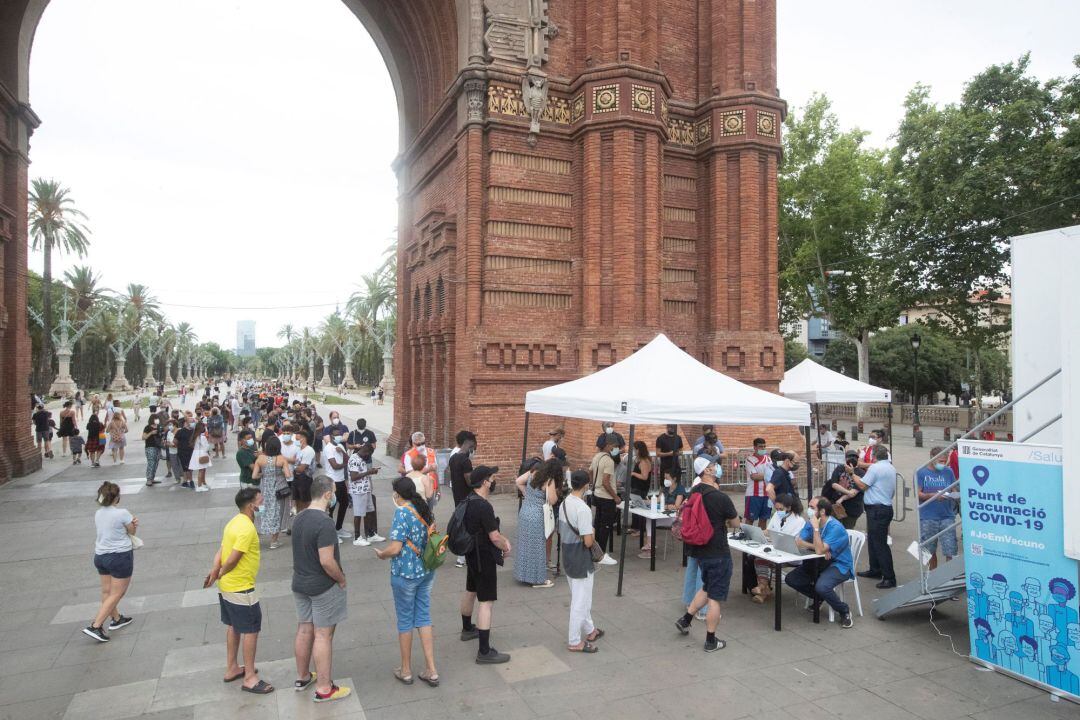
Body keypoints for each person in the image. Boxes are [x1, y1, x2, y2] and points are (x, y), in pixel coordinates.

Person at [203, 487, 273, 694]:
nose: (263, 503)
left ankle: (232, 667)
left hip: (226, 587)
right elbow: (233, 557)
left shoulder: (234, 522)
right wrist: (222, 571)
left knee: (233, 626)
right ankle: (250, 677)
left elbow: (221, 550)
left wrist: (215, 572)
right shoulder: (246, 528)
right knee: (251, 630)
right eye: (260, 500)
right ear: (251, 505)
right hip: (241, 588)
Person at [290, 476, 351, 703]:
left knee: (305, 629)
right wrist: (341, 578)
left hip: (300, 582)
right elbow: (327, 561)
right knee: (323, 634)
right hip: (322, 586)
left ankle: (303, 676)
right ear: (327, 494)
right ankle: (325, 687)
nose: (335, 495)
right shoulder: (324, 523)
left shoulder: (300, 516)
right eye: (334, 491)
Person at [374, 476, 440, 687]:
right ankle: (431, 669)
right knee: (423, 616)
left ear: (398, 494)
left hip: (406, 573)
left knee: (405, 620)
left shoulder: (402, 512)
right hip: (426, 571)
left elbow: (395, 548)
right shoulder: (423, 508)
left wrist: (382, 554)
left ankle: (406, 670)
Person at [673, 457, 740, 652]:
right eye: (714, 466)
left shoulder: (694, 492)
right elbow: (735, 523)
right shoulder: (720, 498)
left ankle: (686, 619)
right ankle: (711, 640)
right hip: (717, 550)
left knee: (707, 585)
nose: (717, 468)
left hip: (699, 550)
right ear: (709, 471)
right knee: (715, 598)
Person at [459, 465, 513, 664]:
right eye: (491, 478)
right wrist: (505, 547)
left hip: (472, 555)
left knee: (470, 590)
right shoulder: (483, 506)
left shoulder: (467, 500)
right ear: (484, 482)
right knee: (486, 602)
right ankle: (484, 650)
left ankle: (467, 628)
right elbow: (494, 536)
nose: (493, 481)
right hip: (484, 557)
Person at [785, 496, 855, 628]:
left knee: (822, 586)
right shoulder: (810, 522)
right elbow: (799, 542)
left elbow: (818, 549)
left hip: (839, 564)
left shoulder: (835, 527)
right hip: (820, 561)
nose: (808, 510)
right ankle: (821, 597)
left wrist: (816, 532)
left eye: (812, 508)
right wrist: (819, 547)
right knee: (791, 579)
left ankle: (844, 610)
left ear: (822, 511)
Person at [84, 482, 137, 643]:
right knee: (117, 593)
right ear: (117, 497)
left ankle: (116, 618)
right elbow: (132, 531)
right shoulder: (122, 513)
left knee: (107, 591)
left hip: (100, 556)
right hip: (120, 556)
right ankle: (96, 625)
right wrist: (134, 524)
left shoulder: (98, 513)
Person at [560, 469, 604, 653]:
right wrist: (592, 531)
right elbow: (588, 541)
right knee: (581, 600)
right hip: (580, 557)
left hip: (567, 554)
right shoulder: (583, 508)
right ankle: (574, 640)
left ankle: (590, 630)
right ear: (586, 485)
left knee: (581, 595)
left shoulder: (564, 503)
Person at [853, 445, 897, 588]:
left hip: (877, 509)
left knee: (879, 543)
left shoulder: (875, 468)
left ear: (874, 456)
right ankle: (875, 569)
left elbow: (863, 485)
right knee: (873, 540)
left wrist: (852, 473)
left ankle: (889, 577)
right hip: (883, 507)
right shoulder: (890, 468)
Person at [752, 494, 806, 603]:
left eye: (781, 509)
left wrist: (775, 539)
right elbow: (769, 531)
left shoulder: (799, 521)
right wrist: (757, 533)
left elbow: (795, 542)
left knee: (767, 561)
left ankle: (763, 589)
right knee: (758, 558)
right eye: (776, 509)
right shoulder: (777, 515)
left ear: (789, 507)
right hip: (777, 549)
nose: (778, 511)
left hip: (791, 555)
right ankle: (764, 588)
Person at [514, 459, 559, 588]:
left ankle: (523, 575)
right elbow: (553, 500)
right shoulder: (549, 480)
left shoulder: (532, 472)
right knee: (538, 547)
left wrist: (526, 493)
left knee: (525, 545)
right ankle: (538, 579)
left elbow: (518, 481)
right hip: (537, 515)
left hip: (525, 512)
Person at [915, 446, 958, 571]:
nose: (943, 464)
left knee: (950, 549)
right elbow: (917, 494)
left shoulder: (948, 472)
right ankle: (932, 575)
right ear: (932, 458)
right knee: (929, 550)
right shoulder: (921, 472)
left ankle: (950, 575)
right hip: (928, 517)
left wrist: (951, 496)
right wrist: (931, 496)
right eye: (940, 461)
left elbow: (954, 491)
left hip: (947, 516)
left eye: (945, 461)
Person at [253, 435, 293, 548]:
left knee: (264, 510)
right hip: (279, 489)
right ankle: (274, 541)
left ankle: (261, 531)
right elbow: (288, 475)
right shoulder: (281, 459)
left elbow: (254, 475)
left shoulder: (260, 459)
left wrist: (264, 474)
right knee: (278, 512)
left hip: (265, 489)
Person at [588, 435, 621, 565]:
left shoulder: (597, 456)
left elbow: (590, 471)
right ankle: (601, 554)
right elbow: (606, 482)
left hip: (597, 494)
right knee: (605, 526)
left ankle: (595, 550)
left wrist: (593, 484)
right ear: (608, 445)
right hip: (607, 498)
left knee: (597, 524)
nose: (616, 449)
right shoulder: (609, 461)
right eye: (615, 446)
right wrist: (616, 497)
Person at [447, 431, 476, 567]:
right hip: (467, 497)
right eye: (473, 446)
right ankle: (464, 555)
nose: (474, 449)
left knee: (462, 524)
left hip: (457, 496)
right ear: (468, 443)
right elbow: (469, 481)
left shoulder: (453, 458)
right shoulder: (465, 461)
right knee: (468, 526)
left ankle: (461, 557)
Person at [347, 441, 383, 546]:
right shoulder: (354, 459)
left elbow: (360, 472)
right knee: (358, 514)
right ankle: (357, 537)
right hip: (358, 491)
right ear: (366, 452)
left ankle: (370, 535)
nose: (369, 457)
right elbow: (354, 477)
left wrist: (370, 471)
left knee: (369, 511)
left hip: (365, 489)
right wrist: (369, 472)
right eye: (369, 455)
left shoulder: (361, 458)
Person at [822, 451, 864, 530]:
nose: (852, 459)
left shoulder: (861, 473)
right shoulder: (839, 468)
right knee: (833, 528)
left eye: (855, 457)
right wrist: (848, 492)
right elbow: (834, 484)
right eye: (850, 457)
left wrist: (842, 498)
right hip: (836, 505)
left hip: (853, 507)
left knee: (848, 530)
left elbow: (855, 491)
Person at [324, 428, 350, 539]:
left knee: (344, 503)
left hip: (341, 480)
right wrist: (344, 464)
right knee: (331, 507)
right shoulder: (328, 448)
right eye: (336, 434)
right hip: (332, 481)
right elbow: (334, 466)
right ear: (331, 436)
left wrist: (342, 452)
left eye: (339, 434)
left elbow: (348, 459)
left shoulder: (340, 446)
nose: (338, 436)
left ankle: (338, 528)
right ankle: (330, 533)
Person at [400, 432, 438, 504]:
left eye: (423, 443)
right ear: (413, 443)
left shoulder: (431, 452)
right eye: (418, 444)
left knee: (429, 512)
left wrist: (438, 489)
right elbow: (411, 475)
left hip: (430, 487)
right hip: (417, 490)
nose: (421, 446)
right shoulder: (408, 455)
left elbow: (435, 472)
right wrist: (428, 470)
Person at [629, 439, 654, 552]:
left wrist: (633, 473)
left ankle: (640, 529)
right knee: (636, 506)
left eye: (635, 449)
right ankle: (637, 528)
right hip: (636, 487)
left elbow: (644, 477)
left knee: (640, 507)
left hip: (641, 488)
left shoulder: (644, 461)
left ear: (639, 450)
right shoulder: (639, 459)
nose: (634, 451)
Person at [744, 437, 772, 528]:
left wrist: (765, 475)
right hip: (753, 494)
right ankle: (747, 538)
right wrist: (769, 474)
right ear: (755, 447)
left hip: (767, 494)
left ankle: (761, 540)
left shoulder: (768, 459)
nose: (763, 448)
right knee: (750, 519)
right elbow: (754, 476)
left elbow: (774, 474)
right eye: (760, 446)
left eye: (764, 446)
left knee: (764, 519)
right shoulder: (750, 459)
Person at [188, 419, 212, 492]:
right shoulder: (202, 437)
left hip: (196, 454)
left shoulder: (194, 436)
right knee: (201, 470)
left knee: (201, 470)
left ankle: (202, 484)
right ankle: (199, 486)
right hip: (202, 453)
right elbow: (206, 447)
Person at [174, 416, 194, 487]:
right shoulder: (180, 431)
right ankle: (189, 481)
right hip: (183, 452)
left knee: (190, 467)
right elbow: (175, 441)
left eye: (193, 422)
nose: (192, 423)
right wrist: (179, 447)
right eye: (191, 422)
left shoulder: (194, 431)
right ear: (187, 423)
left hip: (192, 451)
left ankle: (187, 480)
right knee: (186, 467)